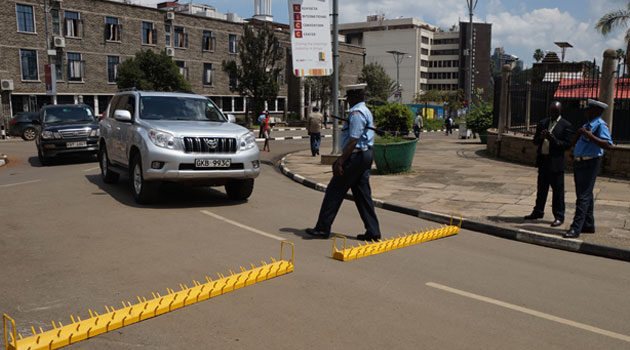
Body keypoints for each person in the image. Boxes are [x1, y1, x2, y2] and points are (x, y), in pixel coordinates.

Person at [305, 83, 381, 241]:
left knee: (334, 191)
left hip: (356, 156)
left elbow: (353, 140)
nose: (348, 100)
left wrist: (340, 161)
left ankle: (322, 228)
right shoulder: (365, 110)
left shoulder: (357, 112)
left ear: (356, 96)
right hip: (365, 155)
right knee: (362, 195)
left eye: (349, 97)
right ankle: (373, 232)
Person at [564, 99, 614, 238]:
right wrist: (579, 135)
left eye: (589, 109)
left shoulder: (600, 126)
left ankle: (575, 228)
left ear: (596, 111)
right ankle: (588, 224)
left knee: (583, 197)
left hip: (590, 163)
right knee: (587, 195)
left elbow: (609, 145)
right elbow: (574, 143)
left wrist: (590, 136)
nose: (586, 111)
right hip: (579, 162)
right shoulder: (587, 125)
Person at [524, 101, 573, 227]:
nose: (552, 113)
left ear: (560, 111)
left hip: (556, 163)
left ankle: (559, 216)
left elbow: (567, 145)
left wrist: (554, 140)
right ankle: (538, 211)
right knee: (541, 189)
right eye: (551, 111)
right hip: (543, 161)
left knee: (557, 192)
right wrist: (540, 138)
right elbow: (535, 141)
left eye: (555, 111)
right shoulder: (543, 123)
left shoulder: (566, 125)